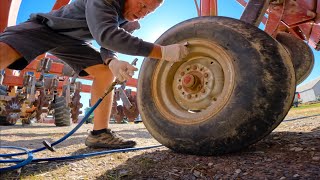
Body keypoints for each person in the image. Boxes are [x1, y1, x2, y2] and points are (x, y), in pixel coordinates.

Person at [0, 0, 189, 149]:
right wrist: (162, 52)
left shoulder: (129, 22)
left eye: (149, 11)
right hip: (46, 28)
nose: (143, 12)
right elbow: (107, 35)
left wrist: (112, 62)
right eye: (142, 5)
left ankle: (100, 134)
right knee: (4, 52)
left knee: (105, 72)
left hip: (73, 42)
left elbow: (108, 45)